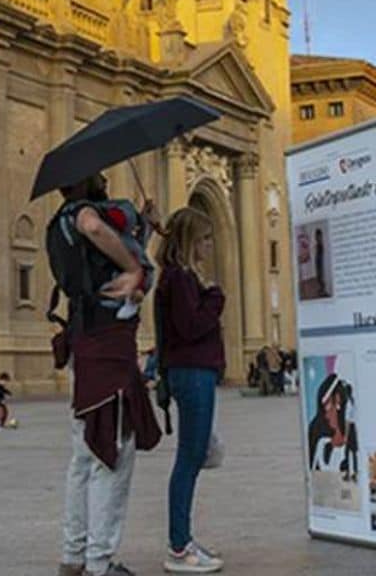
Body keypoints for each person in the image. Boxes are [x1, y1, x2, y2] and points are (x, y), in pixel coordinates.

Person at [56, 173, 161, 576]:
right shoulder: (82, 214)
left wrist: (145, 229)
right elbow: (93, 226)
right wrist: (136, 268)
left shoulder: (58, 228)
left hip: (85, 345)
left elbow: (97, 261)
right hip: (107, 352)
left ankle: (74, 555)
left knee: (83, 457)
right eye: (98, 174)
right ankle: (100, 563)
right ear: (82, 183)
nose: (104, 178)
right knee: (113, 455)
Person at [156, 207, 225, 574]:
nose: (210, 246)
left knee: (191, 457)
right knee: (188, 459)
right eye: (205, 239)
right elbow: (190, 326)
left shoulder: (178, 278)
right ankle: (179, 547)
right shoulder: (181, 279)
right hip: (193, 373)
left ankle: (183, 540)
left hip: (193, 372)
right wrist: (215, 297)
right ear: (190, 241)